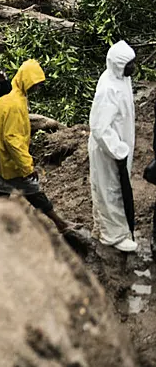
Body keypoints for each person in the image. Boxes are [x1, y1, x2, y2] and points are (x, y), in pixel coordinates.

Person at [0, 60, 74, 233]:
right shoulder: (15, 105)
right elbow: (12, 138)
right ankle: (61, 224)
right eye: (36, 84)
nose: (37, 88)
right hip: (10, 160)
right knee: (32, 190)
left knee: (0, 190)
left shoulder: (9, 98)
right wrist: (26, 165)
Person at [89, 41, 137, 252]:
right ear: (119, 64)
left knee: (112, 188)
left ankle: (104, 228)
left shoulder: (120, 79)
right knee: (111, 191)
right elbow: (99, 127)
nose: (133, 67)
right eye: (129, 64)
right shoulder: (109, 89)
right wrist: (118, 150)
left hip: (118, 145)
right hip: (109, 149)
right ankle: (114, 235)